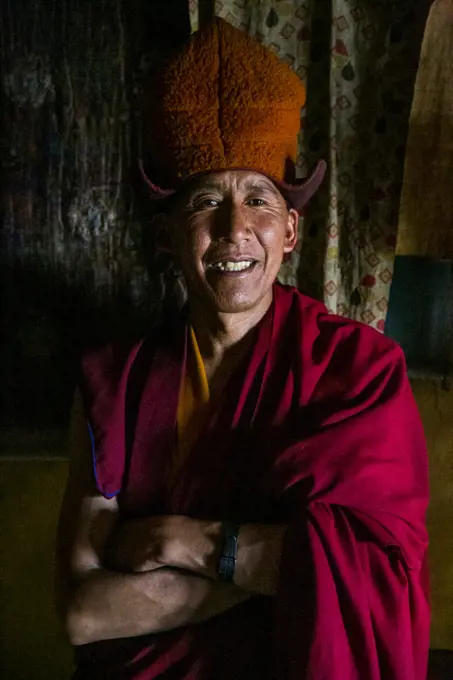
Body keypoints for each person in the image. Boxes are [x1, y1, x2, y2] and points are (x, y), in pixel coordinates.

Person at [55, 18, 430, 680]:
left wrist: (193, 544)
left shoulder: (358, 371)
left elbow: (380, 584)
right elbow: (86, 613)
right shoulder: (118, 380)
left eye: (257, 199)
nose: (234, 230)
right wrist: (280, 565)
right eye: (205, 201)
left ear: (288, 231)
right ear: (169, 233)